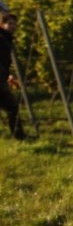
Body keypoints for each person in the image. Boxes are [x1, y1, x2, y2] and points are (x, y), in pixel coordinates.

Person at [1, 12, 27, 140]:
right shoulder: (1, 38)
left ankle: (19, 136)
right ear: (2, 24)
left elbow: (4, 61)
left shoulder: (6, 38)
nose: (13, 26)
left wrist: (8, 75)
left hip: (2, 77)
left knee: (11, 107)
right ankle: (19, 137)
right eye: (10, 23)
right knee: (12, 107)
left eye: (14, 23)